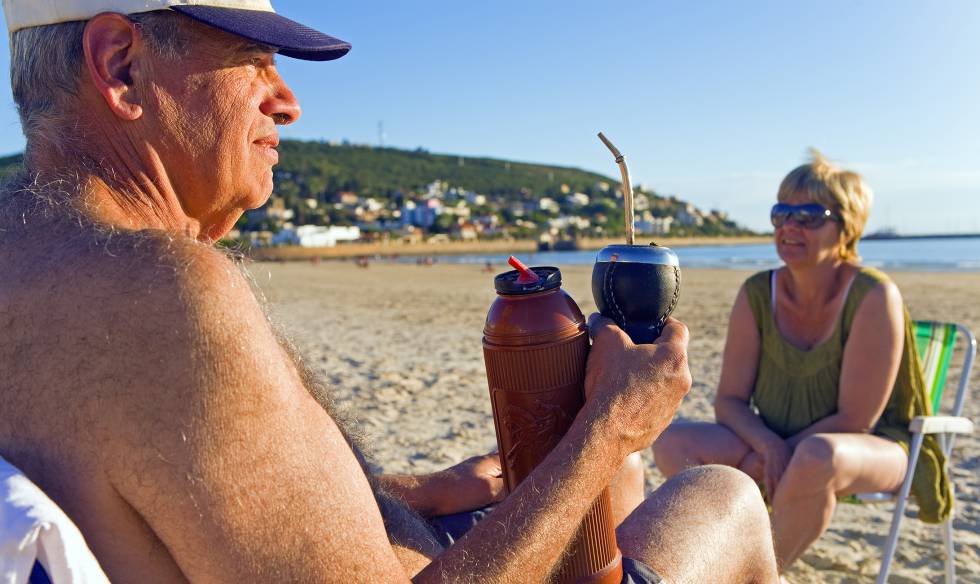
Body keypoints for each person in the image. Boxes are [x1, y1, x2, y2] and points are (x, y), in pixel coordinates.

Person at [0, 2, 780, 581]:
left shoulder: (32, 262)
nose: (288, 101)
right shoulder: (164, 295)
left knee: (622, 479)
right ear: (120, 66)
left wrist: (411, 492)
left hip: (403, 542)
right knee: (722, 499)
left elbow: (174, 490)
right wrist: (613, 424)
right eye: (253, 60)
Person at [653, 150, 951, 573]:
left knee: (816, 456)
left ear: (846, 226)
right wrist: (769, 446)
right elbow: (729, 402)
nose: (790, 225)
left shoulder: (873, 295)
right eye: (781, 214)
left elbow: (855, 419)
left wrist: (784, 452)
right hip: (777, 440)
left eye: (809, 216)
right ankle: (738, 553)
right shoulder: (758, 293)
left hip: (873, 447)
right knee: (673, 441)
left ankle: (756, 576)